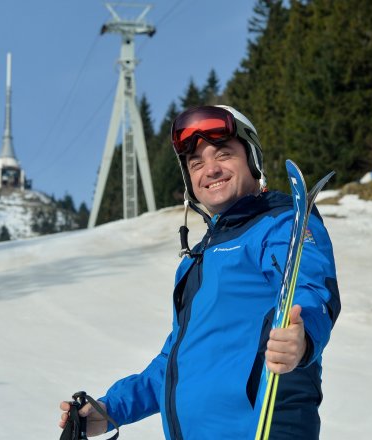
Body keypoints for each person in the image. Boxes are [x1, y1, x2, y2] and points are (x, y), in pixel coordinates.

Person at [59, 105, 341, 439]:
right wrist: (110, 411)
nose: (210, 170)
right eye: (196, 163)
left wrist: (303, 338)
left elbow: (308, 288)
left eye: (224, 154)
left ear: (252, 160)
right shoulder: (198, 259)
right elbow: (174, 364)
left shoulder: (279, 226)